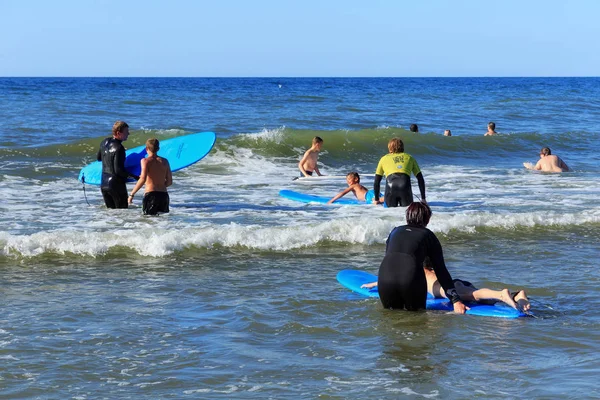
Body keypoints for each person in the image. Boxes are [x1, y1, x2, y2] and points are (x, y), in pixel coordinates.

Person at [374, 202, 467, 313]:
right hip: (410, 279)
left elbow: (393, 260)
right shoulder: (428, 235)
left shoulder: (395, 231)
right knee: (418, 320)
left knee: (392, 318)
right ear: (427, 219)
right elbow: (441, 270)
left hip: (384, 279)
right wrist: (456, 300)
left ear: (408, 216)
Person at [423, 258, 531, 311]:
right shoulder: (435, 271)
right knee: (484, 299)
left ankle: (501, 295)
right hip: (457, 283)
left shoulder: (422, 271)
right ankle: (516, 296)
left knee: (473, 295)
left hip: (449, 287)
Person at [373, 138, 426, 207]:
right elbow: (420, 178)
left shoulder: (383, 159)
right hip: (405, 186)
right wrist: (423, 198)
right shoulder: (409, 157)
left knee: (390, 213)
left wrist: (377, 199)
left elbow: (377, 181)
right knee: (407, 213)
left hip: (391, 187)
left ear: (389, 147)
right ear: (402, 147)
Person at [97, 120, 138, 209]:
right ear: (119, 133)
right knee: (122, 214)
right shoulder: (119, 148)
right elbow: (119, 171)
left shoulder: (104, 142)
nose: (129, 134)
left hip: (104, 183)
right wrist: (136, 177)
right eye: (126, 132)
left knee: (112, 214)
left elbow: (99, 158)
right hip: (116, 185)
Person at [128, 138, 172, 215]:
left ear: (146, 148)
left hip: (151, 195)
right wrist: (160, 185)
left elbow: (142, 179)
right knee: (163, 222)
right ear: (158, 148)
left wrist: (132, 194)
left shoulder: (145, 161)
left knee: (149, 222)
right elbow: (169, 182)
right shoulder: (165, 161)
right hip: (164, 195)